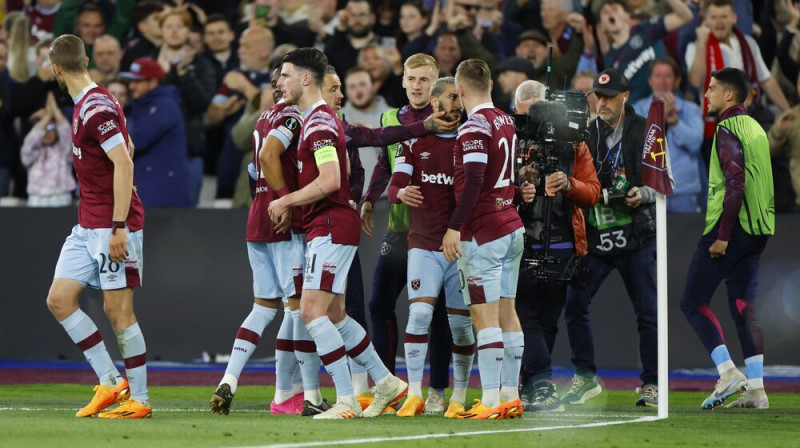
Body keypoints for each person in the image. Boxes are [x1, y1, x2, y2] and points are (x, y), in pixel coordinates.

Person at [268, 47, 407, 420]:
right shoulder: (320, 121)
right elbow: (341, 167)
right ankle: (386, 382)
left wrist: (286, 201)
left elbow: (331, 179)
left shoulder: (319, 124)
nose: (279, 82)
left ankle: (345, 399)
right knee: (336, 314)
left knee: (312, 313)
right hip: (328, 224)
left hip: (329, 224)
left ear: (305, 79)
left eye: (285, 75)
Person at [45, 34, 150, 418]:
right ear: (85, 59)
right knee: (59, 299)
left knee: (118, 311)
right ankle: (110, 381)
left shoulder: (94, 110)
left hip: (111, 224)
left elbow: (124, 163)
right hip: (87, 223)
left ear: (56, 69)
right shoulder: (97, 100)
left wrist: (119, 225)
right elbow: (129, 149)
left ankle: (140, 399)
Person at [210, 63, 307, 416]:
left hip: (257, 218)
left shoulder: (264, 117)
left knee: (263, 308)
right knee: (296, 308)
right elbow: (268, 158)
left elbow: (254, 171)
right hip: (283, 220)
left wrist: (266, 199)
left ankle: (230, 379)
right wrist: (283, 199)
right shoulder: (294, 117)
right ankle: (288, 393)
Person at [361, 54, 454, 413]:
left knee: (440, 313)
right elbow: (384, 164)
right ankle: (389, 384)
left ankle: (437, 389)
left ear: (436, 83)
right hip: (401, 230)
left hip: (438, 232)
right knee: (379, 304)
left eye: (424, 80)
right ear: (402, 81)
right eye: (411, 79)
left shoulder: (450, 120)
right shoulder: (390, 120)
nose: (417, 86)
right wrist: (369, 199)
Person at [563, 68, 659, 407]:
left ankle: (652, 383)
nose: (601, 103)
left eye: (608, 97)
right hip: (597, 237)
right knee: (574, 304)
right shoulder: (587, 132)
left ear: (625, 97)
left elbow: (665, 182)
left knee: (648, 312)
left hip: (636, 236)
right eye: (598, 96)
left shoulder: (646, 130)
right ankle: (586, 377)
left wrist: (643, 194)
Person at [680, 67, 774, 410]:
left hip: (731, 230)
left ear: (729, 96)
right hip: (760, 230)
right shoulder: (756, 128)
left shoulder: (727, 128)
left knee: (692, 302)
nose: (706, 94)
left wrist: (722, 237)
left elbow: (735, 185)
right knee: (743, 307)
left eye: (712, 89)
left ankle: (727, 372)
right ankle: (757, 390)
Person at [442, 58, 528, 419]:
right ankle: (510, 395)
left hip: (485, 232)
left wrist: (454, 226)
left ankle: (491, 400)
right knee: (507, 311)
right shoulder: (506, 120)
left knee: (484, 317)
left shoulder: (472, 127)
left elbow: (475, 180)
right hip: (512, 227)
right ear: (490, 84)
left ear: (460, 91)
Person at [386, 76, 475, 418]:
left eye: (460, 97)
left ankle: (459, 395)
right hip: (423, 245)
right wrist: (401, 193)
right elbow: (395, 185)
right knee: (420, 314)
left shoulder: (471, 141)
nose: (458, 102)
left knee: (461, 327)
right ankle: (414, 394)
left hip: (461, 247)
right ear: (435, 103)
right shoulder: (415, 143)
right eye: (452, 97)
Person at [514, 96, 601, 412]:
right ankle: (542, 384)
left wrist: (569, 184)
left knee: (547, 320)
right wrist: (519, 182)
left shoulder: (576, 145)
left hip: (564, 245)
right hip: (522, 242)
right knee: (526, 315)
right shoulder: (514, 140)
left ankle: (531, 386)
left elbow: (593, 192)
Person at [633, 57, 704, 213]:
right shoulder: (637, 109)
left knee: (686, 237)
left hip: (683, 191)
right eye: (658, 76)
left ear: (677, 81)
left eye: (668, 76)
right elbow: (636, 146)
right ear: (650, 81)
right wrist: (659, 118)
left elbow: (695, 142)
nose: (663, 82)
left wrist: (673, 119)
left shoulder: (691, 109)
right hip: (648, 190)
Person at [122, 57, 192, 207]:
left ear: (153, 82)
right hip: (149, 184)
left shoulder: (165, 105)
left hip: (164, 189)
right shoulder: (140, 105)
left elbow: (138, 140)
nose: (132, 86)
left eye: (137, 82)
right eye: (131, 82)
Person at [599, 0, 693, 104]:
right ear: (602, 25)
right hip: (639, 115)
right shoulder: (609, 59)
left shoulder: (646, 30)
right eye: (605, 12)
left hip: (670, 102)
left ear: (627, 15)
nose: (611, 14)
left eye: (615, 9)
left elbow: (686, 17)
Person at [20, 91, 75, 207]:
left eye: (51, 127)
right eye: (42, 127)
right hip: (36, 197)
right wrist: (47, 117)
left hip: (61, 196)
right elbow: (29, 142)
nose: (46, 132)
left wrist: (54, 110)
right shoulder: (34, 152)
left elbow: (67, 132)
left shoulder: (63, 150)